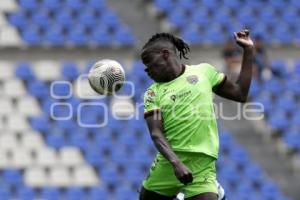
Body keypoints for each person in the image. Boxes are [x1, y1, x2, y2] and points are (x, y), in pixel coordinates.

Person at [139, 30, 254, 200]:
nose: (147, 70)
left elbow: (240, 94)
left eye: (149, 62)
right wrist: (176, 163)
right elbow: (156, 134)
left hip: (202, 165)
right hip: (169, 163)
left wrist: (248, 50)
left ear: (165, 54)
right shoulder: (152, 93)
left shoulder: (203, 72)